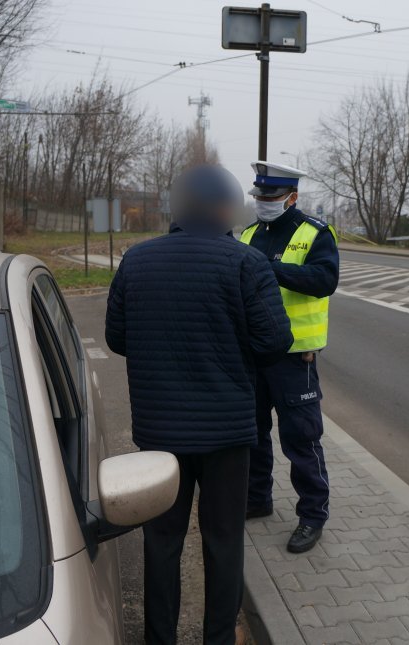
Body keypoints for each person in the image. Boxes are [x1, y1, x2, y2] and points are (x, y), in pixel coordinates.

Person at [104, 164, 293, 645]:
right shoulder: (246, 263)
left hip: (159, 432)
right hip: (227, 433)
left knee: (161, 541)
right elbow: (275, 342)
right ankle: (218, 639)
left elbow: (117, 337)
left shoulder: (137, 260)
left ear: (177, 207)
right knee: (224, 541)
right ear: (226, 209)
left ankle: (159, 638)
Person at [239, 161, 339, 554]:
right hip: (253, 355)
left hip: (296, 358)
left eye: (272, 197)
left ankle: (312, 516)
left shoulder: (314, 233)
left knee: (301, 439)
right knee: (253, 435)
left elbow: (324, 280)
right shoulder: (247, 234)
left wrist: (273, 269)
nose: (263, 203)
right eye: (259, 197)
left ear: (292, 197)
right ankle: (258, 499)